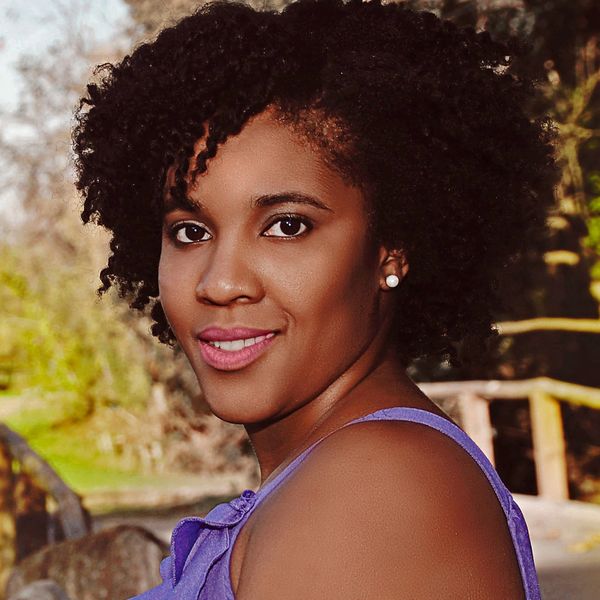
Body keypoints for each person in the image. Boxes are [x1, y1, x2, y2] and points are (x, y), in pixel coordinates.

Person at [72, 0, 559, 597]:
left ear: (391, 249)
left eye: (287, 225)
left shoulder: (372, 487)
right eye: (191, 232)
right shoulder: (344, 472)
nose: (219, 283)